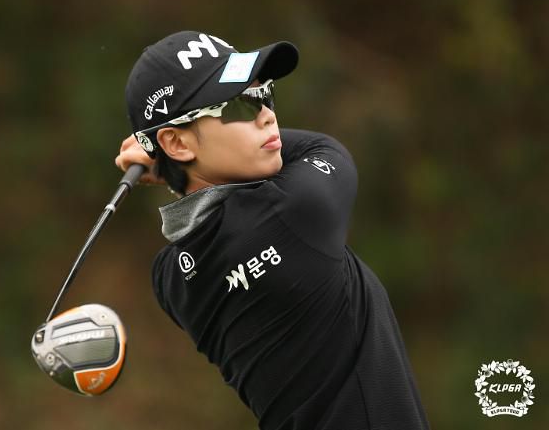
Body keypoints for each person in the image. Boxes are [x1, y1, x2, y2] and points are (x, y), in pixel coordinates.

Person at [116, 31, 430, 430]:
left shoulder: (171, 281)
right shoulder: (295, 212)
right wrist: (165, 163)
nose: (267, 115)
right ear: (177, 141)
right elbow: (325, 149)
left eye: (265, 94)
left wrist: (170, 160)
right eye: (240, 105)